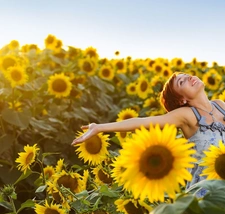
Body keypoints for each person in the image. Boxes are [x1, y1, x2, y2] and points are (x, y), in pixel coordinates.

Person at [71, 71, 225, 195]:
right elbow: (143, 122)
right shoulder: (186, 115)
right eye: (182, 81)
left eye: (187, 75)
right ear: (181, 100)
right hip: (207, 197)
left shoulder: (220, 105)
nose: (190, 78)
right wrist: (100, 127)